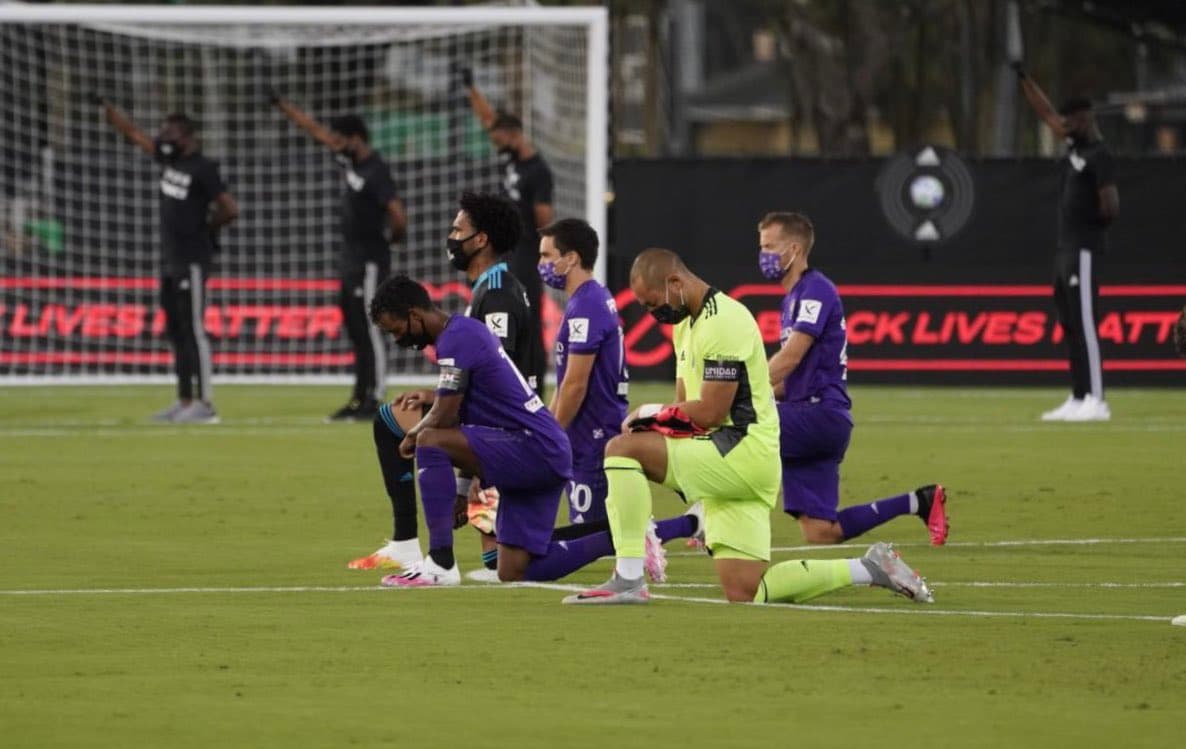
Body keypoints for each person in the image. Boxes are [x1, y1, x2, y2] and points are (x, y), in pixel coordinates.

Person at [564, 249, 933, 606]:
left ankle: (628, 577)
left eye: (652, 303)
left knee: (621, 450)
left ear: (675, 283)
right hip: (733, 459)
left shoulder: (724, 321)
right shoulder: (684, 326)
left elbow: (710, 412)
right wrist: (658, 429)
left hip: (740, 452)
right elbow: (683, 405)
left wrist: (648, 415)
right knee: (746, 590)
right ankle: (870, 568)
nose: (652, 313)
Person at [367, 275, 696, 586]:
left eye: (397, 330)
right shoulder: (461, 334)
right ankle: (656, 532)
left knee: (429, 439)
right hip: (542, 449)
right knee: (515, 569)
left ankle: (440, 564)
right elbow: (464, 418)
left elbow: (445, 414)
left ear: (414, 315)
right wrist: (461, 491)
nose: (398, 339)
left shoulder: (457, 337)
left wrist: (413, 435)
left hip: (534, 448)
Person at [348, 191, 545, 573]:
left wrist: (468, 475)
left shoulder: (497, 294)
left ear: (480, 239)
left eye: (457, 230)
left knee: (508, 563)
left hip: (509, 429)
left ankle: (433, 553)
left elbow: (497, 380)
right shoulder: (489, 288)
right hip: (500, 420)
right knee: (393, 419)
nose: (451, 238)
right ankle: (407, 544)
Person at [758, 212, 948, 546]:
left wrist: (739, 389)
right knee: (821, 532)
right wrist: (760, 392)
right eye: (762, 247)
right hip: (808, 416)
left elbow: (790, 357)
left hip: (818, 415)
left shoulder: (815, 290)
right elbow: (791, 380)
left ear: (794, 249)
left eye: (770, 247)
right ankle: (920, 501)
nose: (764, 255)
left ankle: (695, 521)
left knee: (734, 424)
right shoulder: (792, 299)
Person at [97, 99, 238, 424]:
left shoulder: (203, 168)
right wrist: (110, 112)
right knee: (176, 331)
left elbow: (230, 208)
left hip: (193, 260)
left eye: (169, 133)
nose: (163, 137)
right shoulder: (170, 161)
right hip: (171, 260)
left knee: (195, 330)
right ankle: (184, 400)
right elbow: (136, 135)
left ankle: (205, 403)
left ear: (186, 136)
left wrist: (207, 229)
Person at [272, 94, 408, 422]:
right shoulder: (350, 163)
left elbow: (398, 214)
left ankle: (375, 397)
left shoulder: (376, 170)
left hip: (371, 261)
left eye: (340, 139)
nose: (334, 144)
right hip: (351, 259)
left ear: (356, 138)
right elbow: (317, 132)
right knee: (356, 328)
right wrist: (287, 108)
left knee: (372, 327)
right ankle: (359, 397)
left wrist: (392, 240)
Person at [1014, 64, 1119, 422]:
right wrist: (1025, 80)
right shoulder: (1074, 144)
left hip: (1084, 249)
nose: (1065, 126)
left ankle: (1097, 400)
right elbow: (1047, 114)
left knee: (1085, 324)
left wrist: (1088, 225)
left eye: (1072, 120)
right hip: (1065, 250)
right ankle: (1078, 396)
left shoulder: (1099, 155)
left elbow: (1111, 206)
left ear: (1085, 119)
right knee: (1069, 323)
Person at [460, 66, 552, 392]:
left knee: (528, 320)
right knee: (499, 318)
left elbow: (545, 222)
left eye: (499, 139)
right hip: (507, 254)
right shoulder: (511, 158)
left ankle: (534, 390)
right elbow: (489, 119)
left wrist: (542, 258)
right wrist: (471, 89)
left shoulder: (538, 172)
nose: (494, 143)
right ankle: (500, 387)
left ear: (514, 134)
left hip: (526, 256)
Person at [538, 218, 629, 525]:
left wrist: (550, 437)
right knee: (600, 530)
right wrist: (548, 427)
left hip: (593, 437)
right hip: (586, 435)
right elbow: (566, 383)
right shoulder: (586, 299)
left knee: (593, 534)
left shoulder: (587, 304)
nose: (541, 264)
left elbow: (576, 385)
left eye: (547, 256)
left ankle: (687, 524)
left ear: (571, 258)